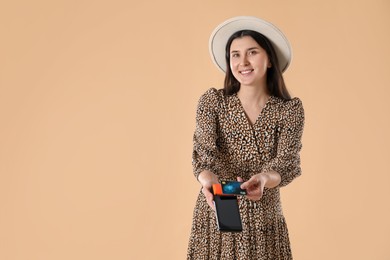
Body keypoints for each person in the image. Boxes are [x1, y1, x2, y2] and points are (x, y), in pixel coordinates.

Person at [187, 16, 305, 259]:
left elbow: (286, 163)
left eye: (252, 52)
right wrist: (207, 181)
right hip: (218, 214)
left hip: (265, 220)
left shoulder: (289, 110)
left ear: (270, 59)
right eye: (235, 55)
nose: (243, 62)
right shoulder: (213, 103)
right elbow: (204, 158)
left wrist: (263, 179)